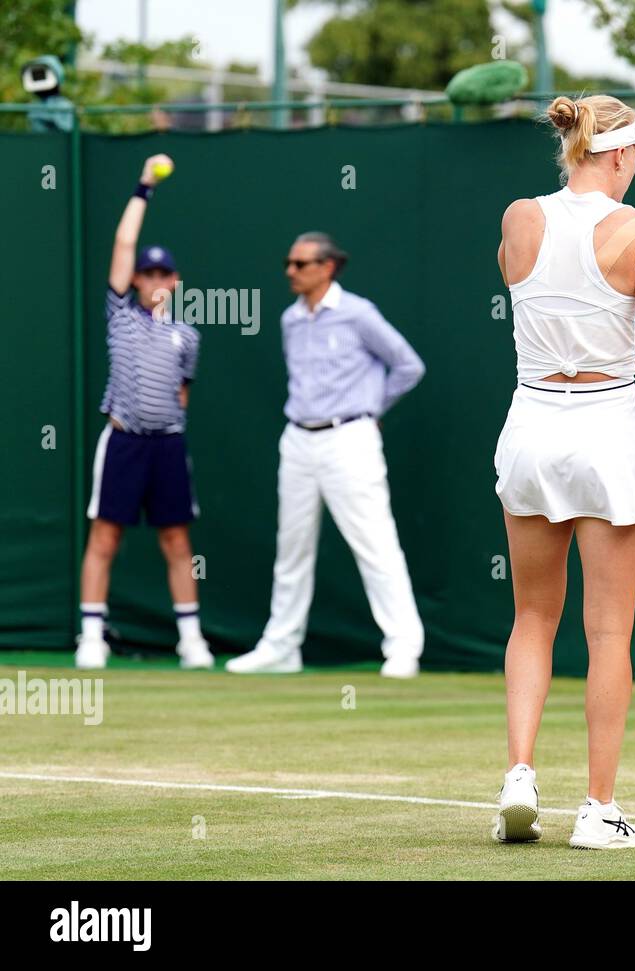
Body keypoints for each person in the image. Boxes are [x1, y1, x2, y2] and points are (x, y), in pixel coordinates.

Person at [493, 95, 635, 849]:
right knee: (608, 631)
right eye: (634, 163)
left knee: (531, 617)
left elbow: (555, 297)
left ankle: (519, 775)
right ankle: (598, 808)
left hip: (530, 426)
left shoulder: (518, 217)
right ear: (618, 155)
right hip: (605, 428)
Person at [226, 233, 427, 678]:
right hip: (297, 440)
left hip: (349, 440)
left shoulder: (358, 314)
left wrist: (373, 408)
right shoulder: (290, 320)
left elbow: (408, 365)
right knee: (291, 547)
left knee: (375, 544)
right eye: (288, 263)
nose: (290, 272)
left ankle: (402, 647)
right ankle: (281, 646)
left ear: (328, 266)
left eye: (300, 264)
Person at [77, 154, 212, 671]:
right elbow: (123, 244)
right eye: (146, 272)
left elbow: (183, 394)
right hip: (124, 440)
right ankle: (92, 637)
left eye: (163, 272)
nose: (154, 278)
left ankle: (191, 640)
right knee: (105, 535)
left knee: (178, 540)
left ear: (174, 281)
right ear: (135, 280)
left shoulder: (187, 335)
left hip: (168, 446)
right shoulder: (121, 317)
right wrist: (144, 187)